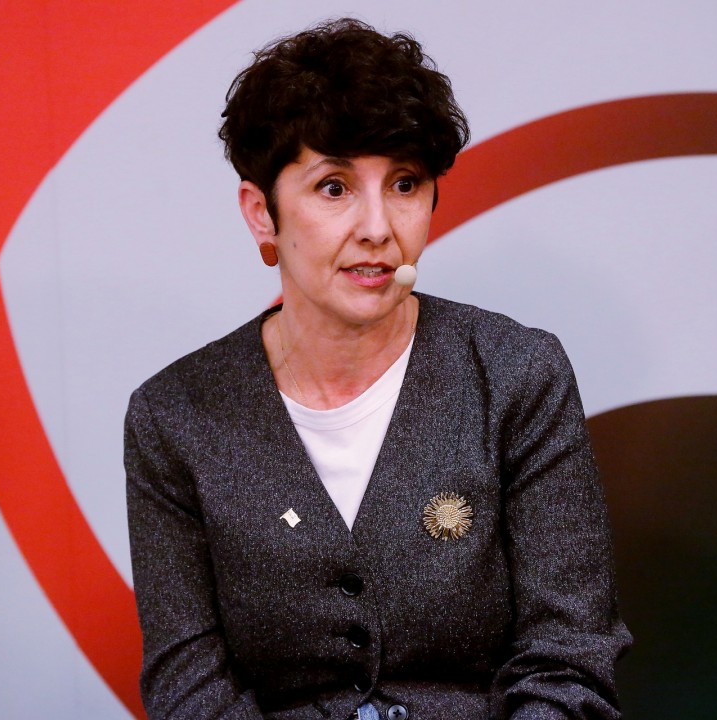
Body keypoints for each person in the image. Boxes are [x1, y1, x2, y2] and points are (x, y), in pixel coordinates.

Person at [125, 17, 631, 720]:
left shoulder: (517, 375)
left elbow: (569, 656)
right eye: (334, 187)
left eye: (404, 184)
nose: (377, 227)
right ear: (262, 213)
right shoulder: (176, 416)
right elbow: (190, 686)